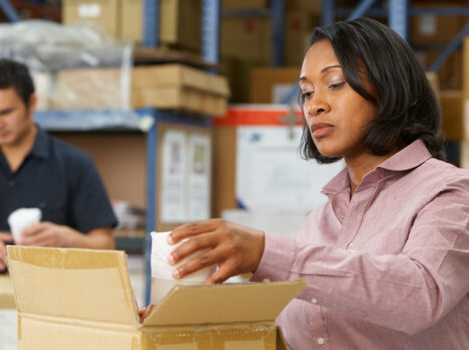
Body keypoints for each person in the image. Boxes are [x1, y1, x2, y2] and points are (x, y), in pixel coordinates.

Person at [156, 18, 469, 349]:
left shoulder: (449, 192)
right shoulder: (319, 222)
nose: (314, 105)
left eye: (334, 84)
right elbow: (296, 331)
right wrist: (191, 318)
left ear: (389, 85)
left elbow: (420, 295)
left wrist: (268, 253)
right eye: (306, 92)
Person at [0, 59, 117, 274]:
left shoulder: (75, 165)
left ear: (32, 103)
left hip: (51, 299)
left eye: (5, 113)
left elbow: (106, 246)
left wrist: (66, 239)